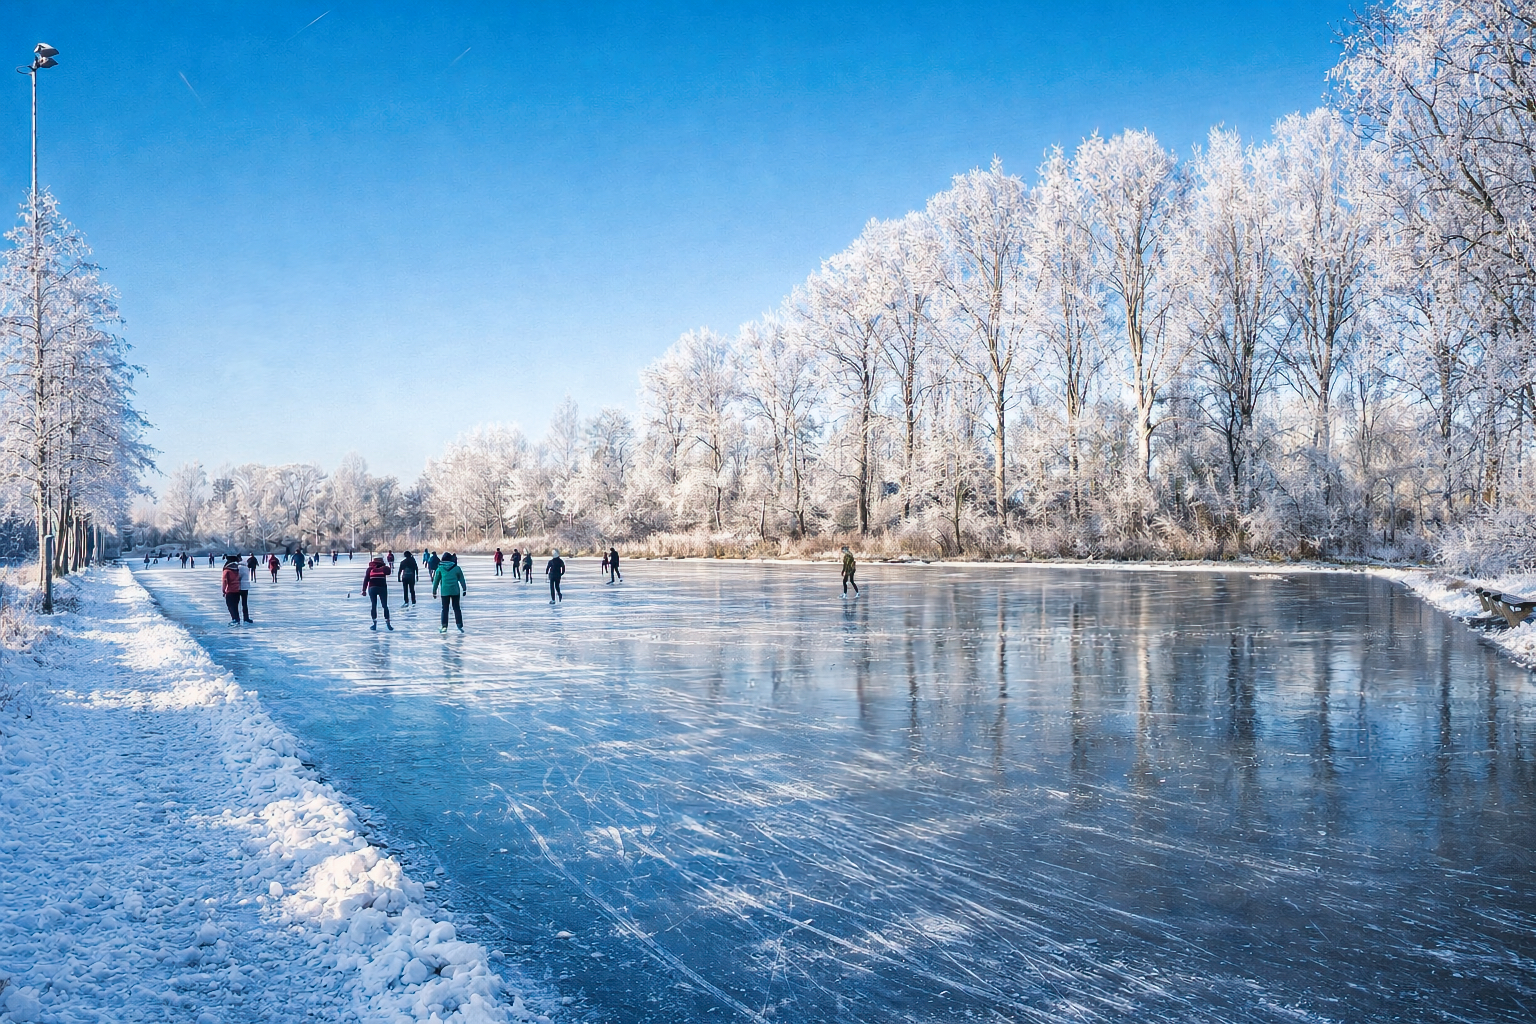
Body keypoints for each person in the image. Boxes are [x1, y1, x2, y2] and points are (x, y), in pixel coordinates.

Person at [433, 552, 467, 633]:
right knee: (457, 608)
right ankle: (459, 624)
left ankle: (444, 626)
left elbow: (436, 581)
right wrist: (464, 589)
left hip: (445, 591)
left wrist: (434, 591)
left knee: (445, 609)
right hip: (455, 591)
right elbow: (462, 579)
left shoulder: (440, 568)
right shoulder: (457, 568)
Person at [362, 555, 393, 631]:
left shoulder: (370, 569)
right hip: (382, 588)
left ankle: (374, 624)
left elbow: (366, 579)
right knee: (385, 605)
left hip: (372, 588)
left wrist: (364, 590)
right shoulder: (384, 568)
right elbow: (389, 572)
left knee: (373, 605)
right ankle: (388, 623)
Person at [220, 556, 243, 625]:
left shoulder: (227, 571)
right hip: (237, 590)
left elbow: (225, 581)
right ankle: (237, 619)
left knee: (230, 605)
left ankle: (234, 619)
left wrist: (223, 590)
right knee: (235, 606)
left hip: (230, 591)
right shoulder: (237, 570)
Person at [238, 554, 254, 623]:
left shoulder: (239, 568)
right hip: (246, 587)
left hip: (239, 587)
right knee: (244, 603)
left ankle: (237, 618)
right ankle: (246, 617)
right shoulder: (246, 567)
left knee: (236, 604)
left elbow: (238, 577)